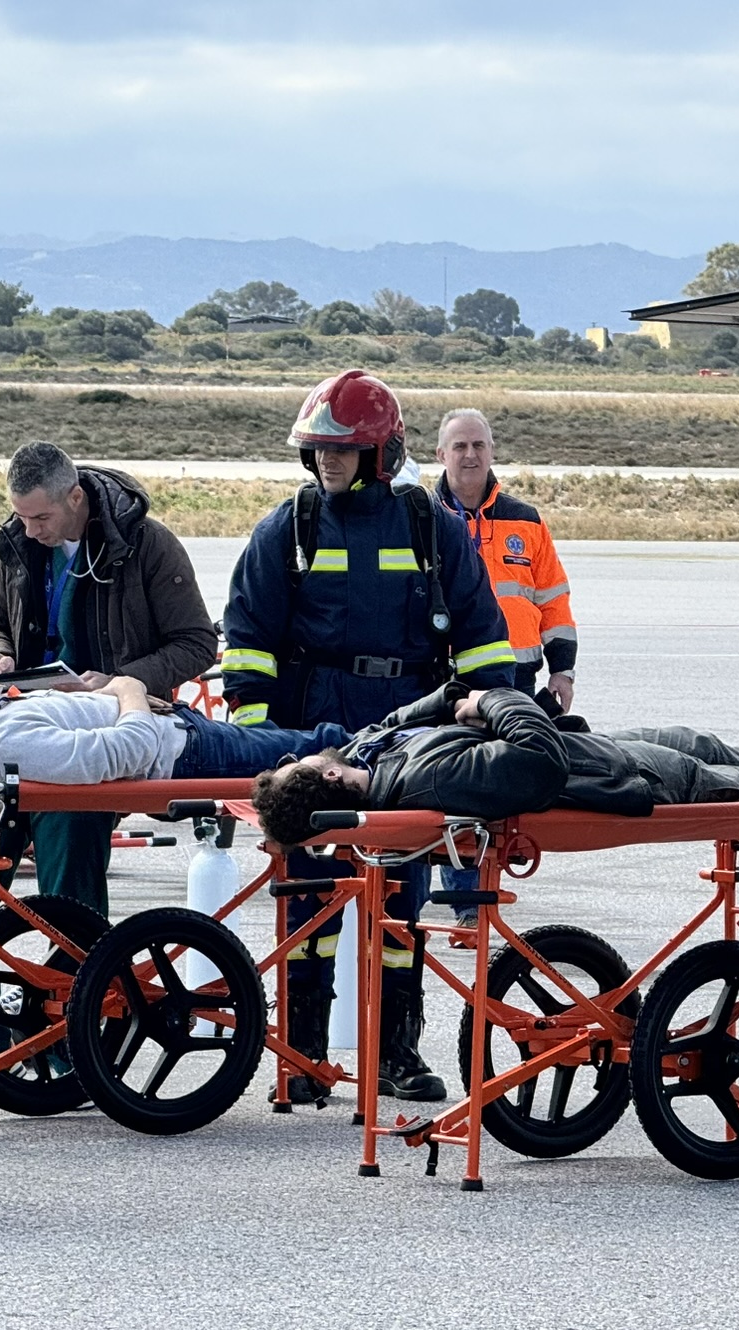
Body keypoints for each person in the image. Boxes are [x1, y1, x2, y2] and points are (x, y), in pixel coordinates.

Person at [220, 369, 515, 1104]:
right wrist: (268, 746)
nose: (327, 462)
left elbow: (482, 641)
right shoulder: (287, 529)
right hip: (316, 726)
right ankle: (302, 1058)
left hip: (409, 725)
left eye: (343, 450)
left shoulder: (429, 527)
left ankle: (396, 1055)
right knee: (309, 898)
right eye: (319, 450)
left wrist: (497, 719)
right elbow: (248, 644)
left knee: (400, 899)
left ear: (381, 453)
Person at [0, 442, 218, 919]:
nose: (30, 530)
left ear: (76, 499)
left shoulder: (147, 546)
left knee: (69, 850)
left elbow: (196, 644)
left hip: (97, 733)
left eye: (40, 518)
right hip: (18, 725)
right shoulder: (18, 544)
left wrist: (120, 683)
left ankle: (76, 984)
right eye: (21, 517)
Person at [251, 683, 739, 844]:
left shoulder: (371, 757)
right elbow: (540, 761)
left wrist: (446, 700)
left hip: (605, 749)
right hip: (620, 774)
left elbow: (388, 727)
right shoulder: (425, 781)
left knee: (703, 742)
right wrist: (491, 699)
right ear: (330, 776)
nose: (298, 755)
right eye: (295, 765)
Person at [0, 675, 346, 784]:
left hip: (179, 734)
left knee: (311, 743)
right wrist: (130, 689)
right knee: (322, 746)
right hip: (182, 750)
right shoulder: (3, 749)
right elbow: (129, 751)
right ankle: (398, 747)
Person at [434, 409, 577, 711]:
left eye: (479, 445)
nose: (470, 454)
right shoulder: (424, 520)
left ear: (492, 452)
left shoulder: (526, 521)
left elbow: (553, 601)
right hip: (444, 680)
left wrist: (562, 670)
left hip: (518, 679)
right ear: (441, 455)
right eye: (459, 446)